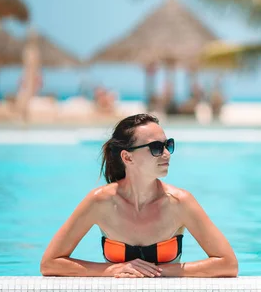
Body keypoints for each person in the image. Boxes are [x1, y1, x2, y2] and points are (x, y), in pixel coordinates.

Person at [40, 114, 238, 278]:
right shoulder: (100, 201)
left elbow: (228, 264)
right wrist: (111, 270)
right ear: (127, 157)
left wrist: (157, 272)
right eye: (156, 148)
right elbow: (50, 263)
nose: (166, 154)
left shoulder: (179, 202)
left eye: (167, 145)